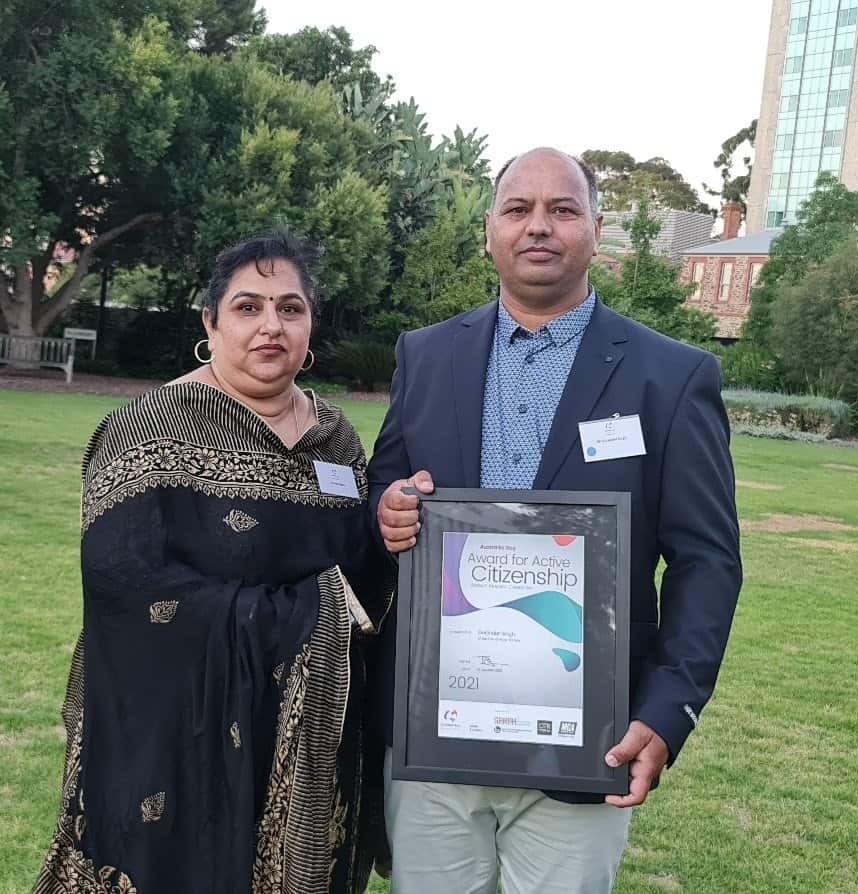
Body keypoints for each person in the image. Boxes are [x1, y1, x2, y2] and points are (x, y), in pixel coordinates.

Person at [367, 147, 742, 893]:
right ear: (490, 232)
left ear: (596, 232)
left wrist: (669, 711)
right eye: (518, 209)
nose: (539, 226)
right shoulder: (427, 355)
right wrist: (389, 509)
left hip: (587, 737)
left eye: (563, 210)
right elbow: (390, 481)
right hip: (434, 729)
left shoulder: (671, 377)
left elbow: (707, 560)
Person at [34, 230, 391, 893]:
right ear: (211, 322)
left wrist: (392, 533)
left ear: (310, 325)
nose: (270, 327)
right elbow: (124, 588)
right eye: (248, 307)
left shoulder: (336, 440)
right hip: (180, 740)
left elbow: (362, 581)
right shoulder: (149, 430)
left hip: (309, 740)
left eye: (290, 308)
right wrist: (294, 619)